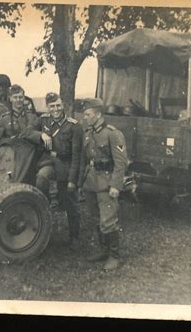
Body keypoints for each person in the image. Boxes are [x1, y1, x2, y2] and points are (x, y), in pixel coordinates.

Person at [23, 92, 83, 250]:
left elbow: (77, 155)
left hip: (66, 164)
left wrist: (72, 179)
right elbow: (26, 132)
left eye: (57, 105)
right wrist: (41, 134)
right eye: (52, 106)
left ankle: (74, 236)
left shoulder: (74, 125)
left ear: (62, 105)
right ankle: (45, 206)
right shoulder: (43, 120)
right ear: (47, 107)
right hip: (49, 161)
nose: (55, 109)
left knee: (70, 199)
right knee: (41, 178)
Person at [78, 98, 129, 271]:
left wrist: (116, 185)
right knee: (95, 218)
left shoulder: (113, 134)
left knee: (108, 219)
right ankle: (103, 250)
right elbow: (85, 159)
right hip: (91, 181)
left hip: (107, 182)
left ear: (98, 114)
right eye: (84, 114)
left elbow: (121, 162)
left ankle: (114, 256)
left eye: (88, 114)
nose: (85, 117)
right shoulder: (88, 132)